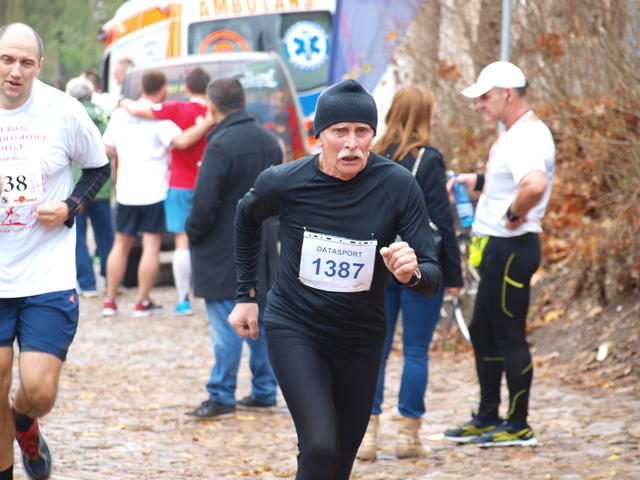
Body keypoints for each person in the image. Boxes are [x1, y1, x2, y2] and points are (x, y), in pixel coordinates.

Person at [228, 79, 442, 479]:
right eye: (340, 131)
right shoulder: (285, 181)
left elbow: (431, 273)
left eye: (362, 131)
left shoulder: (397, 184)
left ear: (373, 135)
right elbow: (245, 219)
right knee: (319, 444)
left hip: (360, 338)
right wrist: (246, 295)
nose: (352, 143)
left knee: (340, 459)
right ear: (319, 135)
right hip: (296, 328)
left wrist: (411, 273)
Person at [0, 23, 110, 480]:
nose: (15, 71)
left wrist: (70, 206)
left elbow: (98, 168)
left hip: (47, 273)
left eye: (26, 62)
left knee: (39, 391)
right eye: (7, 59)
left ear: (39, 66)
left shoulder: (63, 110)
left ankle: (24, 421)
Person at [443, 61, 555, 447]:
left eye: (485, 97)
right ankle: (488, 415)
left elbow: (533, 184)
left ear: (508, 94)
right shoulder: (515, 133)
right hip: (499, 248)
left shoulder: (527, 137)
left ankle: (518, 424)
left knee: (508, 335)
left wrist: (512, 214)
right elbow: (511, 180)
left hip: (512, 248)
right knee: (483, 331)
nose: (479, 105)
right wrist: (476, 181)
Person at [357, 86, 464, 461]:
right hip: (419, 263)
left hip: (376, 263)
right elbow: (442, 221)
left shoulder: (372, 155)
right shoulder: (428, 159)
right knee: (416, 351)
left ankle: (367, 437)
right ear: (424, 117)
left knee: (376, 351)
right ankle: (407, 435)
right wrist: (453, 275)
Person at [184, 77, 281, 418]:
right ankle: (265, 389)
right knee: (263, 320)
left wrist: (193, 232)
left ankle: (222, 393)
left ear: (212, 107)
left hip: (223, 246)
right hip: (263, 245)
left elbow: (204, 201)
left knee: (228, 323)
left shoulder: (220, 144)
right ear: (243, 101)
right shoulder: (270, 141)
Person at [101, 70, 213, 317]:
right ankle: (142, 302)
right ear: (163, 90)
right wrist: (206, 122)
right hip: (154, 190)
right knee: (151, 247)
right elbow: (182, 142)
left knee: (121, 245)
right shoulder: (161, 119)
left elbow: (107, 148)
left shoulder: (120, 115)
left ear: (142, 86)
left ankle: (109, 301)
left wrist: (127, 151)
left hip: (126, 190)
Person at [65, 76, 115, 298]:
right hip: (101, 187)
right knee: (106, 236)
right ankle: (111, 278)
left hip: (77, 189)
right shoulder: (105, 116)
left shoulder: (68, 116)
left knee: (78, 239)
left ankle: (87, 284)